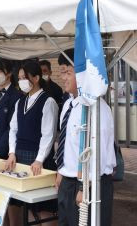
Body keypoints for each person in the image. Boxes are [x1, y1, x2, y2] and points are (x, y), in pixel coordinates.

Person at [55, 56, 116, 226]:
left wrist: (84, 188)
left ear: (83, 74)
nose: (63, 77)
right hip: (68, 181)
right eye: (62, 72)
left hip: (90, 184)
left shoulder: (97, 108)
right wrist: (61, 171)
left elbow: (99, 154)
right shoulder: (68, 105)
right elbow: (65, 143)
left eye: (68, 72)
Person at [5, 60, 58, 226]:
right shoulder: (20, 101)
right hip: (19, 156)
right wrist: (12, 152)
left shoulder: (48, 101)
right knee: (25, 203)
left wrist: (40, 159)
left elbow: (48, 134)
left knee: (42, 206)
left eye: (24, 77)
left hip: (39, 159)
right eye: (19, 78)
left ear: (36, 78)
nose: (21, 81)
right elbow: (13, 129)